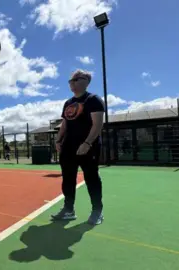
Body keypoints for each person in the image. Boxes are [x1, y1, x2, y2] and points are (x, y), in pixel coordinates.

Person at [51, 69, 105, 225]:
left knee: (91, 177)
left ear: (86, 82)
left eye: (76, 80)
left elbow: (98, 124)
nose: (72, 83)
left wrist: (87, 143)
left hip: (89, 147)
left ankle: (97, 211)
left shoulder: (93, 100)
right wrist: (58, 140)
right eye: (70, 81)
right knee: (68, 179)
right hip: (69, 147)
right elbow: (65, 124)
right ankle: (68, 210)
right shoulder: (68, 103)